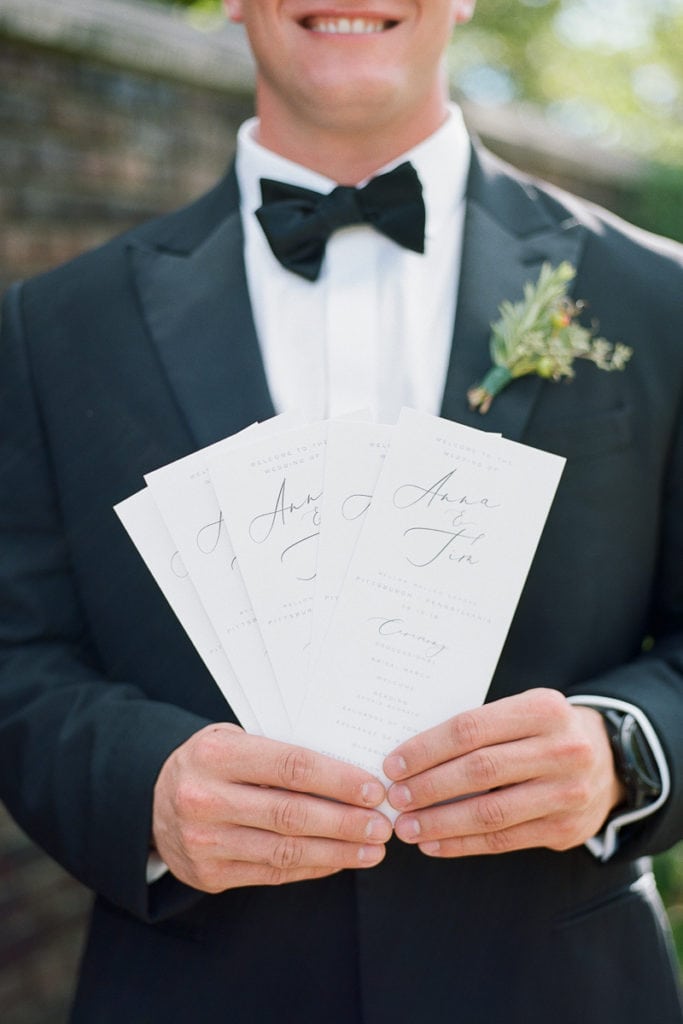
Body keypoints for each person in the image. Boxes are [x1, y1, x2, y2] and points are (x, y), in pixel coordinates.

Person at [1, 1, 682, 1021]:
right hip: (193, 988)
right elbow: (18, 656)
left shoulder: (655, 297)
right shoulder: (53, 326)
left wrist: (622, 748)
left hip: (560, 985)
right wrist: (142, 786)